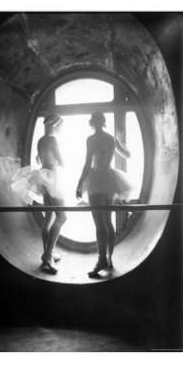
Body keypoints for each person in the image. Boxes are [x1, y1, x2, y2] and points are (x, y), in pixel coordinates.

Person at [76, 111, 134, 278]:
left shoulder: (91, 139)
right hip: (109, 178)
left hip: (95, 179)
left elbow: (88, 163)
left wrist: (79, 184)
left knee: (99, 223)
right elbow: (128, 155)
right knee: (108, 222)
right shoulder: (111, 139)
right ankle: (109, 258)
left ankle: (102, 259)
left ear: (92, 123)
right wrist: (120, 142)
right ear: (104, 122)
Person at [11, 113, 67, 274]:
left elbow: (38, 159)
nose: (61, 129)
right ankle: (48, 254)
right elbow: (62, 162)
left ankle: (47, 253)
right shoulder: (52, 139)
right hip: (53, 177)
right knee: (62, 217)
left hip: (43, 176)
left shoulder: (41, 140)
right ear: (55, 125)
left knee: (49, 217)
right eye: (60, 126)